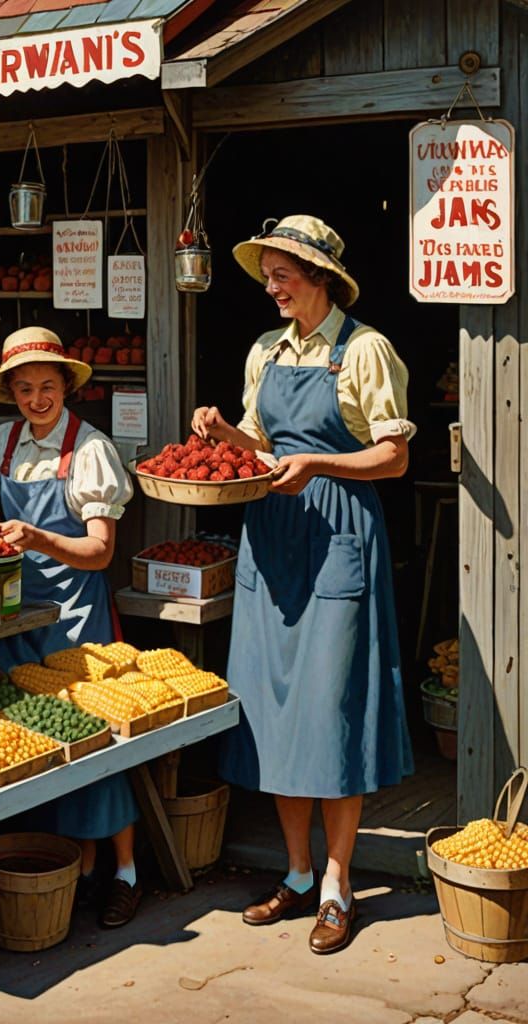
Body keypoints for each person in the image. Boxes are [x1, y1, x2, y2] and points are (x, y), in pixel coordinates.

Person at [191, 215, 414, 955]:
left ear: (320, 277)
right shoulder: (264, 350)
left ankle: (338, 885)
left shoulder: (365, 349)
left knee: (329, 711)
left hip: (339, 531)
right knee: (276, 711)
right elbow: (263, 444)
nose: (271, 286)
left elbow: (392, 458)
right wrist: (225, 435)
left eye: (283, 274)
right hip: (273, 535)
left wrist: (320, 465)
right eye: (268, 274)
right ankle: (294, 873)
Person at [0, 326, 141, 928]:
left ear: (66, 385)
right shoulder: (2, 443)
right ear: (9, 392)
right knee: (31, 739)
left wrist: (37, 537)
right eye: (24, 389)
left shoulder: (89, 450)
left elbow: (99, 552)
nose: (37, 399)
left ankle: (124, 871)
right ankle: (66, 865)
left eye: (47, 386)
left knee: (96, 740)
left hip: (75, 618)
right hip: (13, 615)